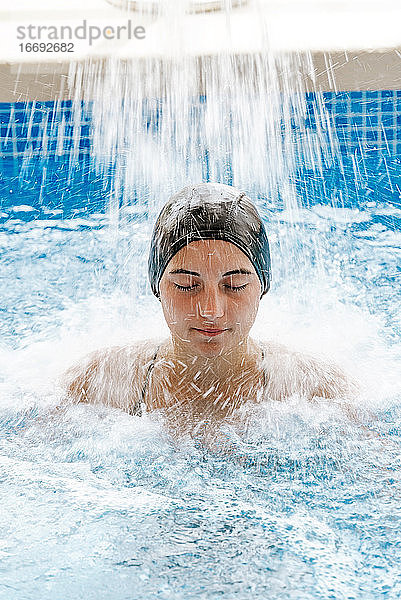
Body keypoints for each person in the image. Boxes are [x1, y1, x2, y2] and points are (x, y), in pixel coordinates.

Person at [63, 183, 355, 438]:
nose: (211, 310)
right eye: (187, 285)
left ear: (262, 287)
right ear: (157, 286)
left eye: (235, 284)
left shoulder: (316, 390)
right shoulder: (100, 384)